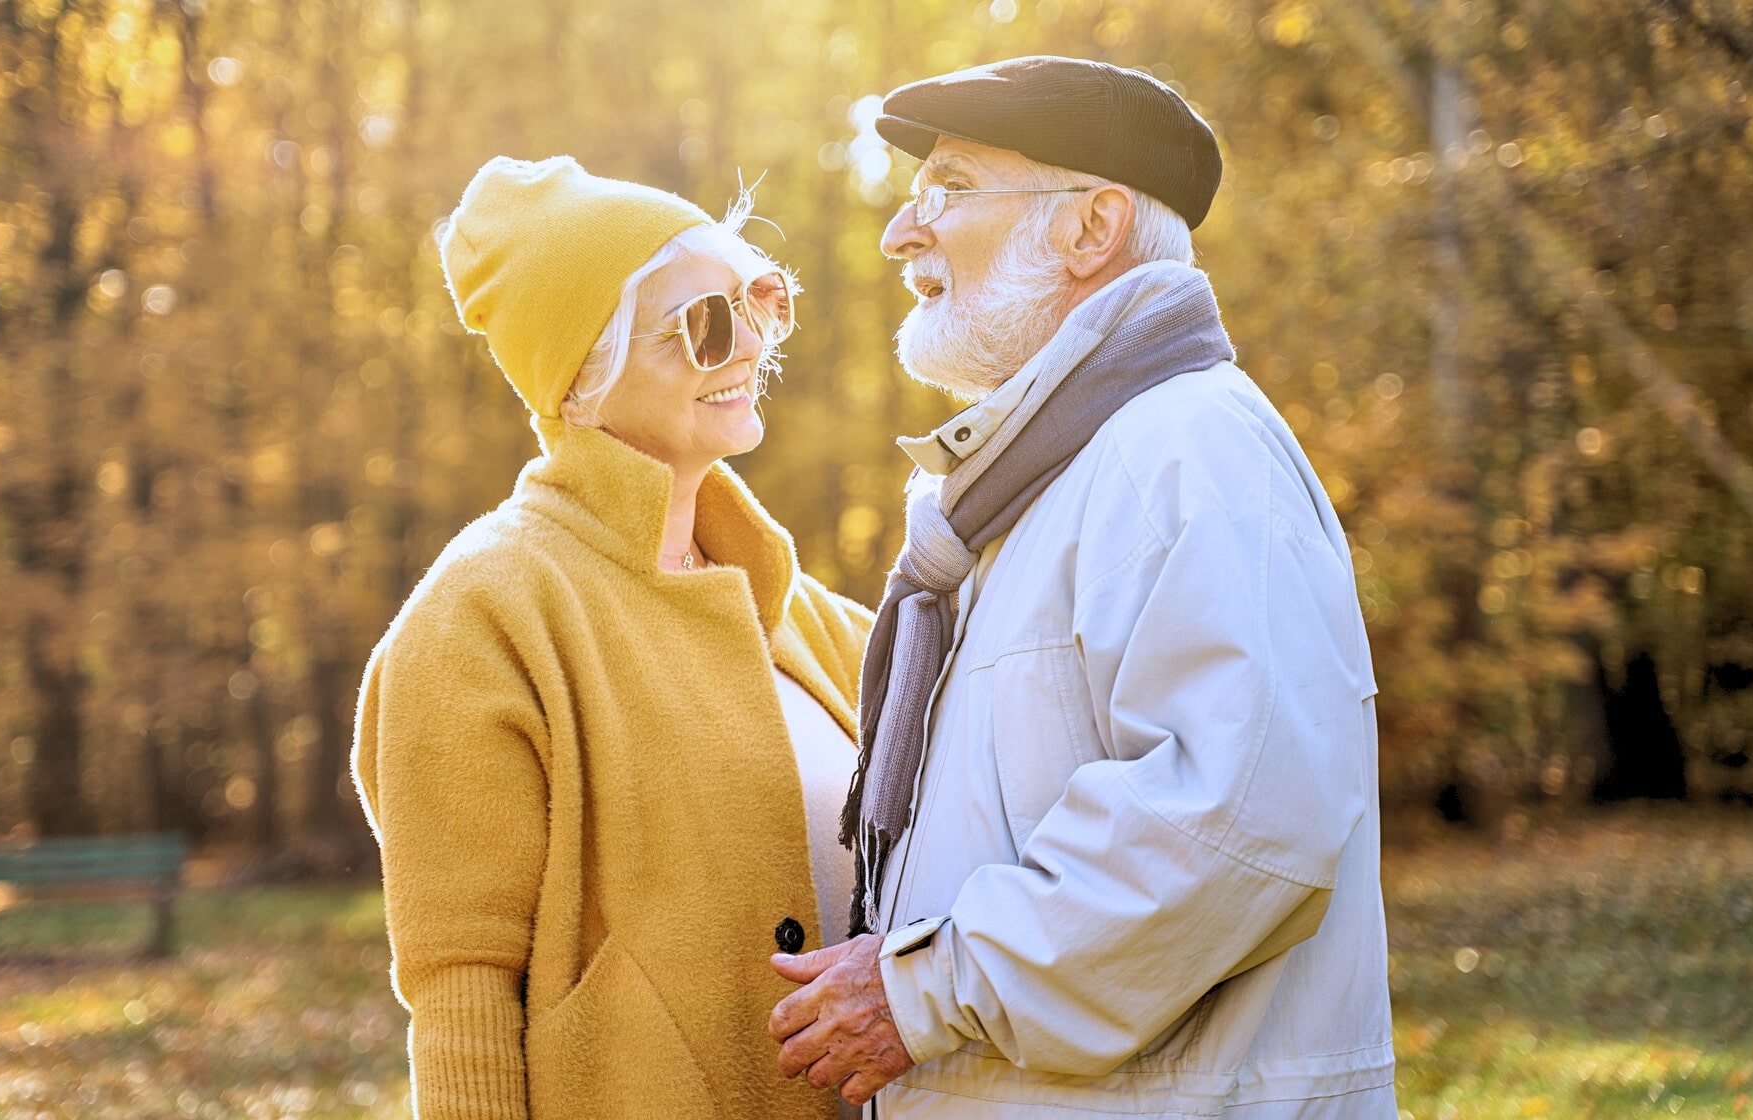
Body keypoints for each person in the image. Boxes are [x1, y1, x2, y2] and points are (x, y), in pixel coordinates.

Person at [767, 56, 1396, 1118]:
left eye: (952, 189)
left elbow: (1239, 820)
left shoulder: (1187, 449)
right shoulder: (1043, 482)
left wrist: (924, 987)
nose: (899, 232)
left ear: (1088, 230)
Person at [353, 155, 870, 1120]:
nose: (747, 344)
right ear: (583, 377)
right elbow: (461, 988)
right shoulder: (484, 612)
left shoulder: (813, 620)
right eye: (704, 324)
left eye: (759, 300)